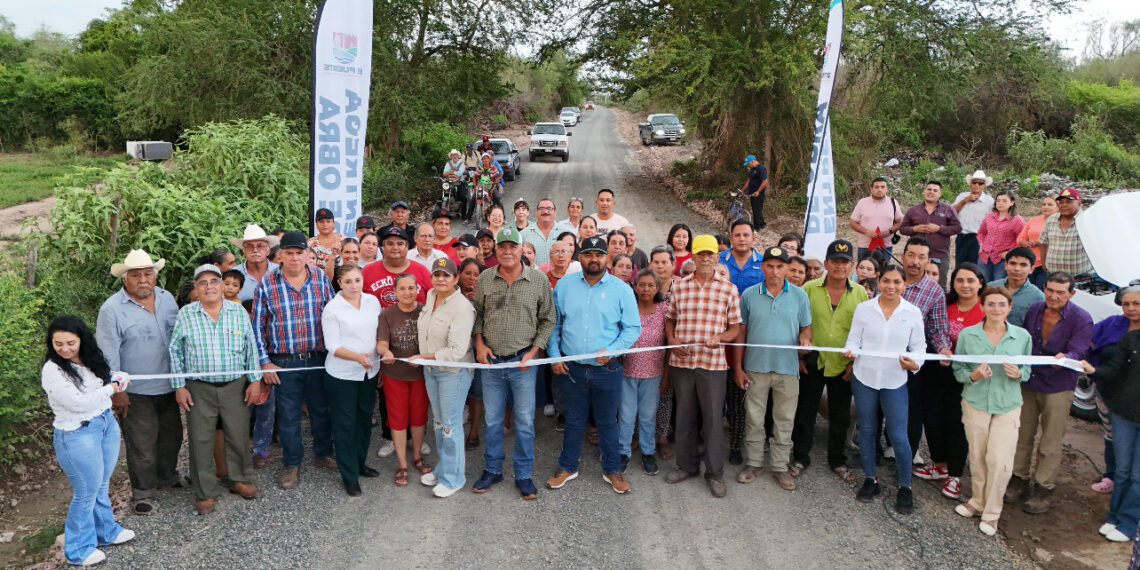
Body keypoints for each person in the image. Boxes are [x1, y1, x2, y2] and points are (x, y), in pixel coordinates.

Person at [545, 236, 641, 494]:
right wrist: (555, 355)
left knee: (608, 421)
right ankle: (567, 466)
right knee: (574, 420)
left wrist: (612, 351)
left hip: (607, 370)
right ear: (580, 257)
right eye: (588, 254)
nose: (594, 259)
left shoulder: (621, 290)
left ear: (606, 257)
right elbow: (553, 324)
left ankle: (612, 470)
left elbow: (632, 328)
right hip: (572, 369)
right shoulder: (564, 286)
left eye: (599, 254)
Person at [169, 264, 264, 514]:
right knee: (201, 439)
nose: (209, 286)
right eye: (203, 282)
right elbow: (174, 351)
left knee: (238, 434)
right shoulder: (186, 314)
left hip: (235, 385)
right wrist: (179, 385)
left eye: (214, 281)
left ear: (222, 285)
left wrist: (255, 380)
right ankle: (205, 491)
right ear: (196, 288)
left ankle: (240, 480)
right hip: (199, 388)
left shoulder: (237, 312)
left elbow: (250, 346)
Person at [471, 227, 556, 499]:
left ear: (521, 249)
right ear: (495, 250)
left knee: (524, 422)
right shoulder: (485, 279)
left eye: (512, 246)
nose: (507, 251)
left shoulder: (539, 280)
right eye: (502, 246)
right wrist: (479, 343)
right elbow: (478, 315)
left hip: (523, 362)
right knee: (493, 421)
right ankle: (493, 469)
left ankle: (523, 474)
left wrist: (534, 351)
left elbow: (548, 319)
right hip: (492, 362)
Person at [43, 315, 135, 566]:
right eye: (58, 343)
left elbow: (106, 377)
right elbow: (78, 403)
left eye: (70, 343)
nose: (64, 349)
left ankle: (106, 531)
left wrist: (119, 376)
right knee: (85, 492)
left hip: (104, 424)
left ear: (82, 340)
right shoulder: (52, 369)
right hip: (77, 434)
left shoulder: (89, 358)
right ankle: (78, 549)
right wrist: (113, 388)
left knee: (101, 484)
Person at [95, 249, 181, 516]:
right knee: (142, 443)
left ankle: (167, 476)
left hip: (169, 384)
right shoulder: (111, 309)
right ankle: (142, 492)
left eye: (148, 274)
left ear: (155, 276)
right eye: (136, 275)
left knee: (172, 437)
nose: (143, 280)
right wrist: (116, 391)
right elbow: (108, 353)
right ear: (125, 279)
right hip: (135, 391)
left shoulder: (167, 299)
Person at [252, 230, 336, 489]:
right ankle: (292, 462)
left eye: (299, 252)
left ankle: (323, 453)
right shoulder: (267, 283)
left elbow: (334, 316)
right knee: (288, 415)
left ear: (308, 254)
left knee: (321, 409)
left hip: (318, 357)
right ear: (280, 256)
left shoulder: (321, 278)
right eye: (289, 253)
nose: (295, 257)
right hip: (283, 361)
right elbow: (257, 327)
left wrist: (336, 354)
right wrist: (265, 363)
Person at [1005, 271, 1094, 513]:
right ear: (1044, 289)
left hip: (1058, 385)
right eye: (1050, 290)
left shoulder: (1081, 318)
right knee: (1022, 434)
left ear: (1071, 293)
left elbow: (1079, 350)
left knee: (1050, 441)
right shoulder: (1035, 309)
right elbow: (1024, 339)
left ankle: (1044, 487)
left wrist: (1066, 358)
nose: (1054, 296)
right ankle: (1018, 478)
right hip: (1029, 380)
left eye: (1060, 292)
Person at [663, 234, 742, 498]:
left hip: (713, 365)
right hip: (682, 361)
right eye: (701, 254)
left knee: (712, 420)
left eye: (710, 254)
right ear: (693, 257)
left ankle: (715, 472)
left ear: (717, 256)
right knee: (684, 416)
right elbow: (670, 319)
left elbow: (735, 328)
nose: (705, 258)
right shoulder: (680, 287)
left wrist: (720, 338)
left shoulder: (728, 289)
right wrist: (672, 339)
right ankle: (686, 465)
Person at [844, 265, 926, 514]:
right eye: (887, 281)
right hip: (865, 376)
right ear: (879, 281)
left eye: (897, 282)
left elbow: (919, 346)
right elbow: (853, 339)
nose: (891, 286)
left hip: (895, 380)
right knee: (867, 430)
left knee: (899, 435)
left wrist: (915, 363)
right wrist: (851, 351)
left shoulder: (912, 312)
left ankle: (905, 486)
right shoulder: (864, 309)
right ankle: (871, 479)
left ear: (904, 285)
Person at [952, 285, 1033, 536]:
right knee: (977, 455)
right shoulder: (968, 335)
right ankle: (977, 501)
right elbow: (959, 369)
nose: (996, 309)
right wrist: (973, 376)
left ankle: (992, 513)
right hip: (975, 402)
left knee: (999, 460)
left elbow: (1028, 370)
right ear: (982, 306)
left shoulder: (1022, 337)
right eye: (991, 304)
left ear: (1009, 308)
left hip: (1007, 404)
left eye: (1001, 304)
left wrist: (1019, 373)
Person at [733, 247, 812, 491]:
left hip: (787, 368)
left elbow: (805, 328)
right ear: (763, 267)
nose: (775, 271)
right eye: (770, 265)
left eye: (780, 266)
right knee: (754, 418)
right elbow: (741, 332)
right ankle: (754, 463)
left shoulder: (800, 296)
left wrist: (805, 342)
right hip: (756, 367)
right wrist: (738, 366)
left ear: (787, 268)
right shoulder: (748, 295)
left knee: (784, 419)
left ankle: (779, 467)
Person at [790, 240, 867, 482]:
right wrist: (797, 355)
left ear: (852, 265)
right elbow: (795, 325)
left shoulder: (861, 293)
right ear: (825, 264)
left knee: (840, 415)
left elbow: (866, 331)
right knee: (805, 411)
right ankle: (801, 456)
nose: (839, 266)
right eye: (835, 261)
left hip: (842, 364)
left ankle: (837, 459)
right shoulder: (808, 289)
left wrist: (855, 364)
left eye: (845, 262)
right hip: (812, 360)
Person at [914, 263, 984, 499]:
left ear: (980, 283)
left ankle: (955, 475)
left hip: (966, 376)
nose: (965, 285)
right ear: (952, 283)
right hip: (936, 371)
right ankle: (939, 464)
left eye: (971, 280)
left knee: (957, 424)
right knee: (932, 419)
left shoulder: (986, 310)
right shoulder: (942, 303)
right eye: (960, 280)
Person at [1080, 286, 1140, 543]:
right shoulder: (1128, 339)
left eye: (1136, 303)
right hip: (1124, 413)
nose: (1131, 308)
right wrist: (1091, 370)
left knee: (1138, 475)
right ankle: (1114, 517)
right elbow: (1113, 370)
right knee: (1123, 471)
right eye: (1126, 304)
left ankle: (1129, 524)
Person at [414, 258, 477, 497]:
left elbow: (457, 351)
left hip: (453, 372)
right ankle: (443, 469)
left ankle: (454, 478)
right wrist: (426, 360)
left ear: (456, 278)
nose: (441, 279)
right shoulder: (431, 296)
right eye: (437, 274)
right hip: (432, 369)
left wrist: (424, 356)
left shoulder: (462, 307)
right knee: (439, 422)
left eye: (446, 275)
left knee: (450, 425)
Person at [320, 264, 381, 496]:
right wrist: (357, 357)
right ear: (339, 283)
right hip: (342, 375)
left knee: (364, 419)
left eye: (357, 280)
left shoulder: (372, 302)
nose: (353, 286)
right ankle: (349, 475)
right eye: (348, 281)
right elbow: (332, 345)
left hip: (369, 372)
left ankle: (359, 463)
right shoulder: (333, 309)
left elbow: (378, 333)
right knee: (344, 424)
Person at [899, 237, 953, 465]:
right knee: (879, 408)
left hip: (912, 362)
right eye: (911, 255)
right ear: (903, 256)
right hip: (882, 358)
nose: (915, 261)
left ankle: (906, 459)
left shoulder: (934, 292)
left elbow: (938, 328)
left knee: (912, 411)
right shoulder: (888, 280)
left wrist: (943, 348)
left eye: (921, 257)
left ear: (928, 260)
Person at [377, 273, 432, 487]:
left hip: (419, 375)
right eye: (402, 288)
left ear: (418, 289)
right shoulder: (387, 314)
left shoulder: (424, 311)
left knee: (418, 417)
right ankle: (402, 463)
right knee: (398, 419)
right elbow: (381, 342)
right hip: (395, 376)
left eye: (411, 288)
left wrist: (424, 358)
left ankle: (417, 456)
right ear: (395, 292)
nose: (407, 292)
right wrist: (386, 352)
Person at [719, 219, 765, 465]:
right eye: (737, 235)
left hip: (748, 336)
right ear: (731, 237)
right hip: (717, 334)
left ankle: (737, 444)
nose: (742, 239)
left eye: (746, 235)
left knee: (740, 394)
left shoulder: (762, 264)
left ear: (753, 238)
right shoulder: (719, 261)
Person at [617, 268, 669, 476]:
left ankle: (648, 452)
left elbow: (669, 342)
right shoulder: (627, 308)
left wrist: (666, 375)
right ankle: (623, 452)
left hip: (653, 372)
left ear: (657, 288)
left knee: (648, 416)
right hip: (627, 370)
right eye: (641, 284)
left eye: (651, 285)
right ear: (634, 286)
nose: (646, 289)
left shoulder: (664, 309)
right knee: (626, 415)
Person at [899, 180, 961, 289]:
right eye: (929, 189)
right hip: (917, 257)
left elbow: (957, 228)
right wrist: (915, 228)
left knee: (940, 286)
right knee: (913, 284)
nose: (931, 192)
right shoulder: (913, 210)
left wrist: (939, 228)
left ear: (940, 193)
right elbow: (902, 229)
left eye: (935, 190)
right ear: (924, 191)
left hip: (940, 255)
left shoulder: (948, 209)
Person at [363, 226, 432, 307]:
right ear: (383, 246)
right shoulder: (367, 272)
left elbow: (436, 300)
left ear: (407, 246)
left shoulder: (422, 271)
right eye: (390, 243)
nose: (395, 247)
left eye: (400, 244)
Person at [1039, 187, 1093, 277]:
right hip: (1053, 275)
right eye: (1061, 202)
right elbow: (1043, 241)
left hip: (1080, 276)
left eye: (1068, 202)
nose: (1064, 205)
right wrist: (1044, 262)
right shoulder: (1051, 219)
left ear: (1079, 203)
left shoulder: (1087, 221)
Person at [987, 247, 1045, 327]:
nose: (1017, 269)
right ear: (1005, 265)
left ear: (1031, 269)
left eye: (1023, 265)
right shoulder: (990, 288)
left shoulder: (1038, 296)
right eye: (1013, 263)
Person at [848, 177, 904, 259]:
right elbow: (852, 223)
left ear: (887, 189)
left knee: (884, 271)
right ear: (871, 189)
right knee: (864, 270)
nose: (879, 190)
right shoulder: (862, 202)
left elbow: (900, 222)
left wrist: (890, 231)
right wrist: (866, 232)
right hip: (865, 246)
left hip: (885, 247)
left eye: (882, 187)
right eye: (876, 187)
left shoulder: (893, 202)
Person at [977, 190, 1025, 282]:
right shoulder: (989, 217)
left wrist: (1011, 252)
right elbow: (982, 232)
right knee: (983, 284)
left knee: (999, 286)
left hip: (1002, 259)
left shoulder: (1016, 220)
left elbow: (1022, 239)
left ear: (1012, 202)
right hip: (985, 257)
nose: (1000, 203)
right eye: (998, 201)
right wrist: (981, 244)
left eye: (1004, 201)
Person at [953, 170, 996, 267]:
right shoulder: (962, 196)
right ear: (970, 184)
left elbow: (993, 222)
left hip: (977, 239)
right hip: (962, 236)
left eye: (980, 183)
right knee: (960, 266)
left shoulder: (989, 201)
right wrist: (965, 201)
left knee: (975, 267)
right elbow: (951, 212)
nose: (977, 185)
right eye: (974, 182)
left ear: (984, 186)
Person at [1017, 195, 1058, 290]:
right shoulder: (1033, 220)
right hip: (1029, 263)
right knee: (1027, 291)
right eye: (1044, 204)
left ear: (1057, 207)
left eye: (1050, 204)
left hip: (1047, 265)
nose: (1045, 207)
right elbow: (1020, 239)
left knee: (1040, 292)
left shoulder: (1059, 222)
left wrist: (1042, 243)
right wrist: (1026, 243)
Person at [232, 224, 281, 302]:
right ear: (243, 251)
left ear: (268, 250)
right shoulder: (233, 274)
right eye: (249, 246)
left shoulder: (280, 272)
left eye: (260, 246)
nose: (255, 250)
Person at [521, 198, 561, 265]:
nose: (545, 211)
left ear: (555, 212)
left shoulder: (564, 232)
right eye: (541, 208)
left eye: (549, 208)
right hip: (532, 275)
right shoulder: (524, 234)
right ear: (536, 212)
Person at [309, 207, 345, 279]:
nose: (325, 225)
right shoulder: (310, 243)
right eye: (321, 222)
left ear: (333, 223)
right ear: (316, 224)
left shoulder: (343, 240)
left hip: (343, 280)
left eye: (328, 221)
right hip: (319, 281)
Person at [740, 154, 769, 230]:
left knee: (756, 210)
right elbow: (749, 180)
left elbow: (765, 181)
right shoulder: (752, 169)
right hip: (752, 193)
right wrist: (743, 189)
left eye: (748, 164)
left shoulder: (761, 168)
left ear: (752, 161)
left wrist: (758, 191)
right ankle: (762, 224)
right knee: (757, 209)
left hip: (758, 194)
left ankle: (756, 227)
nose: (747, 166)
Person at [442, 148, 470, 218]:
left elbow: (460, 174)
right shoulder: (448, 163)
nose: (454, 156)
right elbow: (444, 174)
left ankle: (464, 214)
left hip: (460, 182)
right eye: (452, 155)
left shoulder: (461, 163)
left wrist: (450, 173)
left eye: (455, 155)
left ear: (458, 156)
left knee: (463, 197)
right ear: (451, 156)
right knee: (440, 197)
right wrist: (453, 175)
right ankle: (441, 213)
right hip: (449, 182)